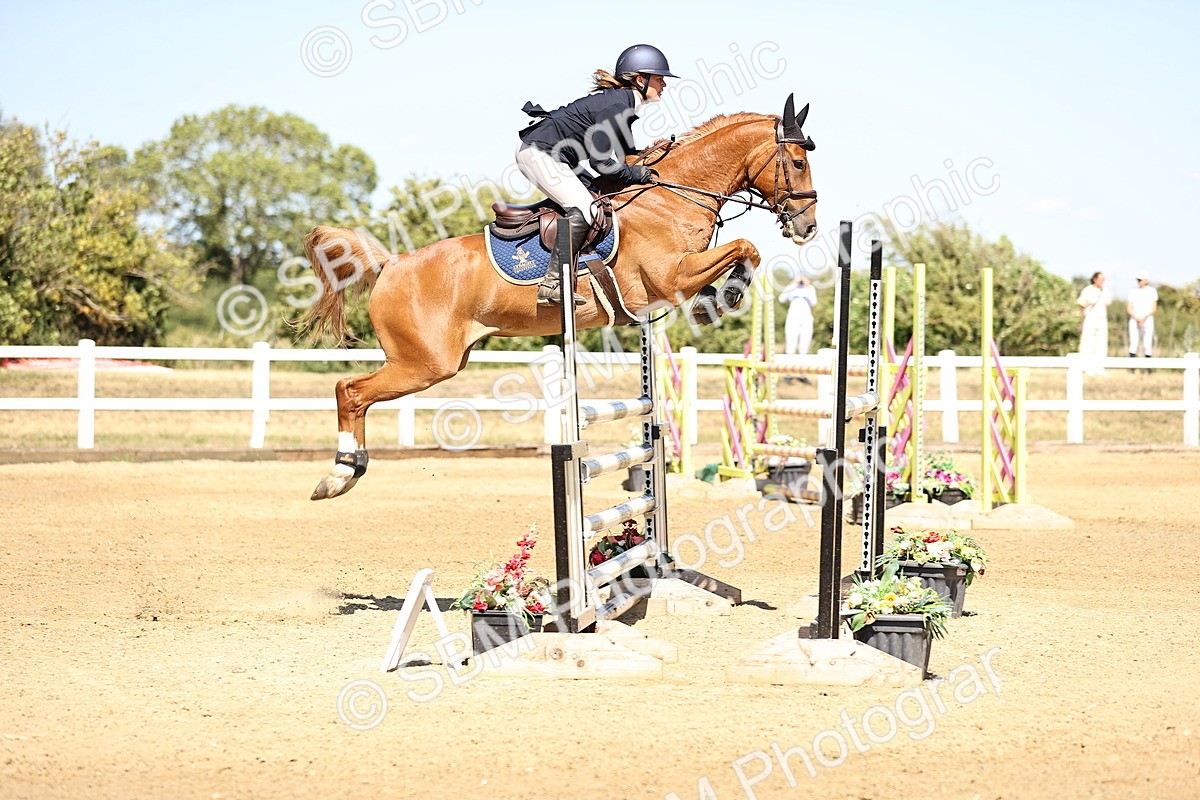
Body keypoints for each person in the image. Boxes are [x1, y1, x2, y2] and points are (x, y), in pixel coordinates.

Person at [515, 44, 677, 306]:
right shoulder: (616, 106)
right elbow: (602, 163)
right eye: (659, 79)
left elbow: (626, 156)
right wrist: (640, 173)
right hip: (539, 152)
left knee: (601, 198)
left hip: (558, 155)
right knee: (584, 207)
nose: (664, 85)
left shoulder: (625, 104)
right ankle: (552, 284)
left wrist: (657, 160)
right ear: (640, 79)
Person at [779, 275, 818, 384]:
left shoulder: (809, 289)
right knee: (791, 345)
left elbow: (814, 302)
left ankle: (802, 373)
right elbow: (782, 298)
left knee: (804, 346)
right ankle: (788, 373)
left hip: (805, 318)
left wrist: (808, 285)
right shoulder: (792, 287)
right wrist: (793, 284)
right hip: (793, 318)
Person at [1076, 271, 1112, 375]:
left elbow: (1106, 304)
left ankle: (1099, 366)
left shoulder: (1105, 291)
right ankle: (1086, 366)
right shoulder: (1087, 290)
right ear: (1095, 279)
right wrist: (1083, 319)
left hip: (1101, 319)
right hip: (1090, 318)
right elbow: (1081, 306)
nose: (1103, 281)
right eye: (1101, 279)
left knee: (1101, 343)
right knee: (1087, 342)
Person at [1127, 271, 1158, 372]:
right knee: (1134, 342)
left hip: (1147, 319)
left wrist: (1144, 318)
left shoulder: (1152, 291)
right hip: (1134, 319)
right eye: (1138, 280)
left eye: (1141, 280)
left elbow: (1154, 308)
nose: (1139, 282)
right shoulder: (1133, 292)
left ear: (1146, 280)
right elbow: (1129, 308)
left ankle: (1148, 369)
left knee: (1147, 343)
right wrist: (1137, 318)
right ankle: (1132, 369)